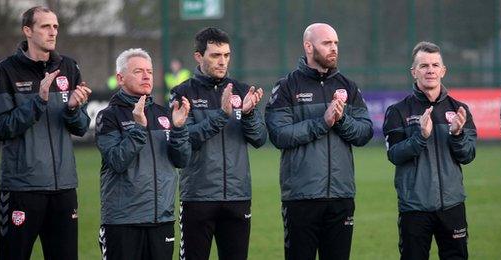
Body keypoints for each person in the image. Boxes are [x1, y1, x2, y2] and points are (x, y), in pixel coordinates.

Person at [0, 6, 92, 259]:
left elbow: (80, 127)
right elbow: (1, 127)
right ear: (27, 31)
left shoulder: (69, 66)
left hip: (64, 189)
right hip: (21, 190)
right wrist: (39, 100)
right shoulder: (5, 71)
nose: (53, 32)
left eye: (55, 26)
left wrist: (72, 109)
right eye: (46, 26)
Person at [265, 23, 373, 260]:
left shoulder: (348, 86)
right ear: (308, 46)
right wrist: (322, 123)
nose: (333, 48)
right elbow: (279, 134)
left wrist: (341, 119)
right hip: (301, 198)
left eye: (335, 43)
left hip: (341, 197)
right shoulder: (286, 87)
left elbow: (365, 133)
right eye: (327, 43)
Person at [170, 27, 267, 260]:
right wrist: (222, 115)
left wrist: (249, 115)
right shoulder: (183, 93)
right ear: (198, 56)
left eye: (226, 55)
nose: (223, 61)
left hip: (237, 197)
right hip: (198, 198)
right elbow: (185, 138)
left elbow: (259, 139)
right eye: (215, 55)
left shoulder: (242, 91)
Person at [95, 48, 192, 260]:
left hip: (162, 220)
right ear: (120, 78)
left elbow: (182, 160)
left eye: (149, 70)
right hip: (124, 221)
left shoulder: (164, 113)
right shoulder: (109, 116)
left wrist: (178, 129)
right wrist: (138, 128)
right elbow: (116, 161)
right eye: (138, 71)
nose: (147, 76)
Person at [383, 41, 477, 260]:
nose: (430, 70)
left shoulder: (459, 110)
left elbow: (468, 155)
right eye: (424, 66)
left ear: (443, 70)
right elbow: (394, 154)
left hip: (452, 205)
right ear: (413, 72)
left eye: (435, 65)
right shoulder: (397, 111)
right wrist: (421, 137)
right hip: (414, 207)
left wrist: (457, 135)